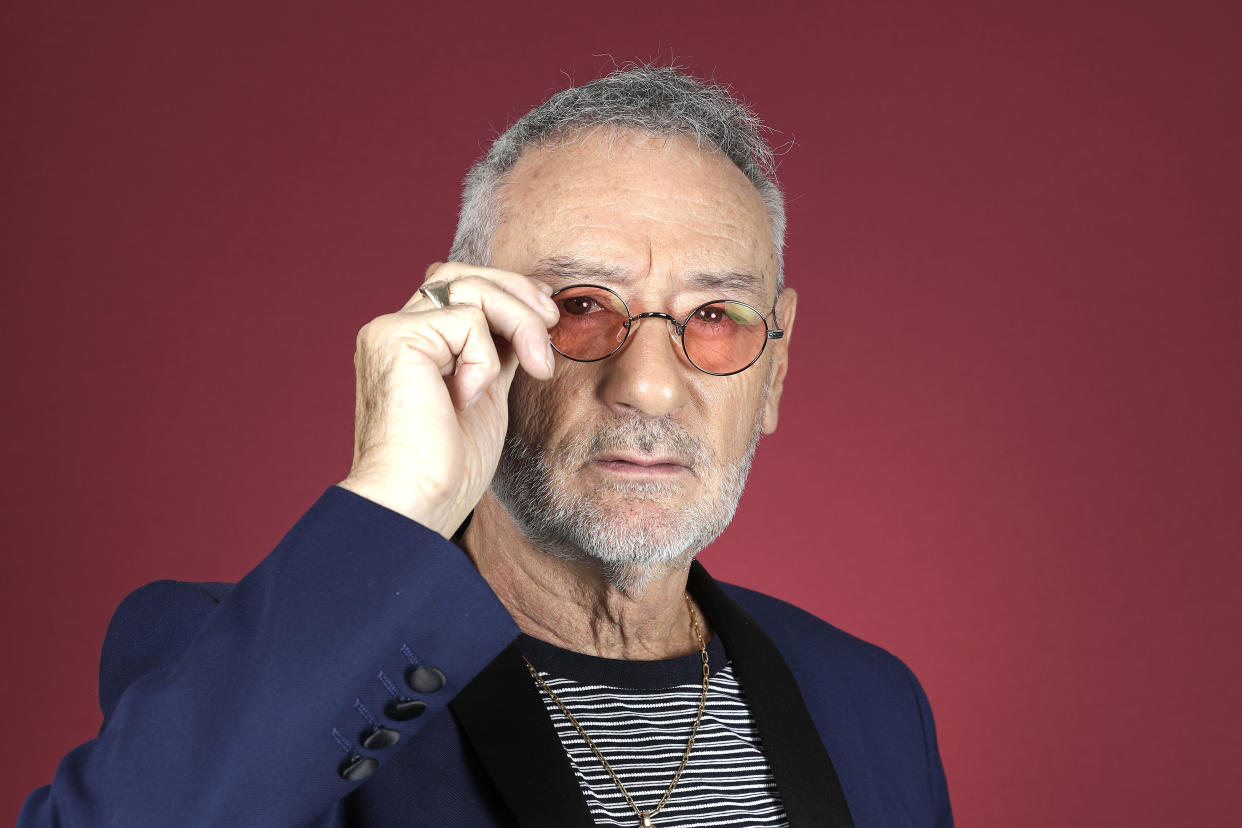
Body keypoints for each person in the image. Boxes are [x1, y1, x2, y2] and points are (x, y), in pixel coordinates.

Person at [20, 67, 952, 827]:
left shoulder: (870, 700)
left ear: (775, 368)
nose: (650, 387)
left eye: (716, 316)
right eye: (581, 307)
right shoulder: (256, 658)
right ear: (475, 326)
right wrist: (398, 493)